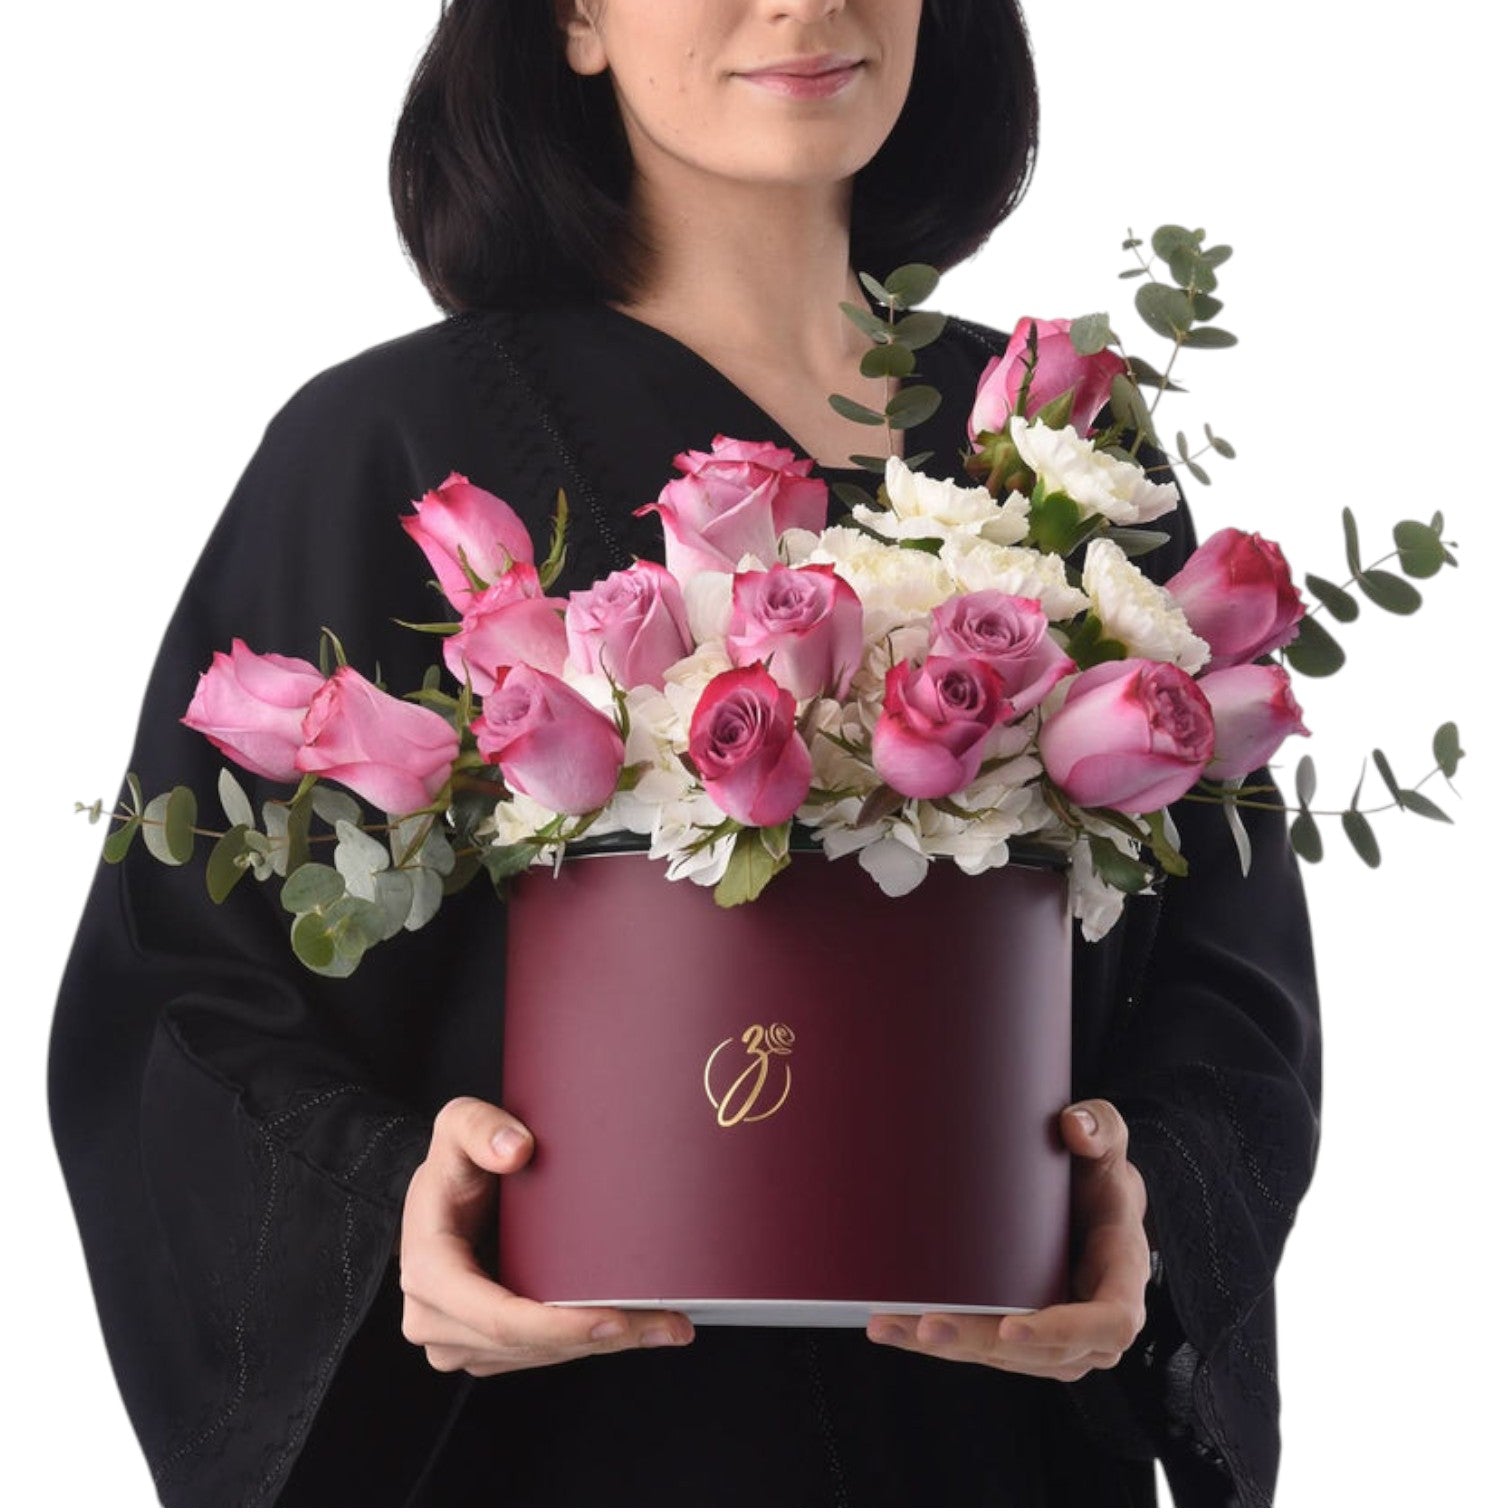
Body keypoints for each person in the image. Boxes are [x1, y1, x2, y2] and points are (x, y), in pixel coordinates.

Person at [49, 1, 1320, 1505]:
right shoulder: (389, 447)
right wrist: (403, 1207)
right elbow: (182, 995)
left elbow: (1228, 978)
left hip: (976, 1442)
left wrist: (1138, 1212)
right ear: (576, 19)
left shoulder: (1049, 453)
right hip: (565, 1450)